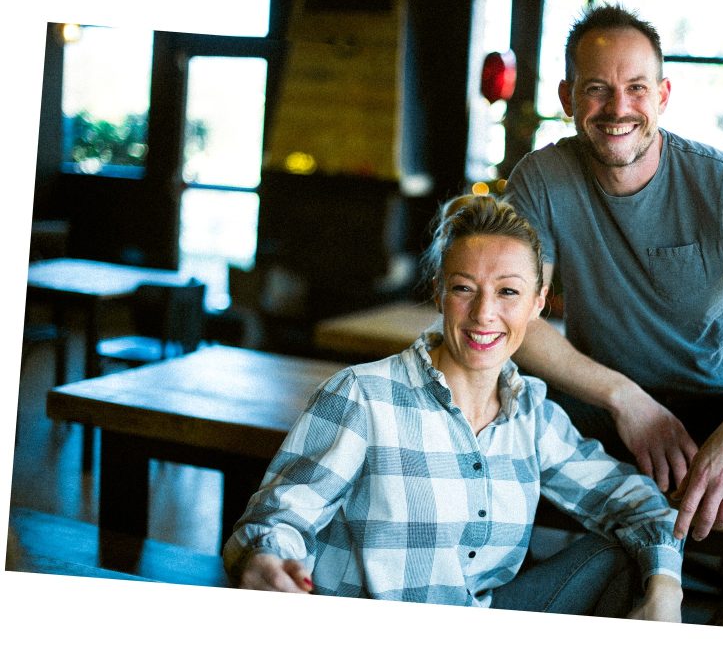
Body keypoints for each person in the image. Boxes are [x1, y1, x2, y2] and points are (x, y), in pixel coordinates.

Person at [504, 3, 723, 627]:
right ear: (567, 97)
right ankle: (531, 607)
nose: (618, 108)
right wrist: (625, 398)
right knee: (503, 409)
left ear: (663, 95)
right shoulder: (542, 177)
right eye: (596, 89)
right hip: (607, 400)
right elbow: (514, 316)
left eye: (636, 87)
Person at [223, 194, 684, 621]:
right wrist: (265, 559)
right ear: (440, 292)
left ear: (537, 304)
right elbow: (274, 521)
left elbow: (639, 504)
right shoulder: (362, 395)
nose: (484, 314)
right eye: (465, 288)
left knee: (626, 556)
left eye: (508, 292)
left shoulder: (532, 415)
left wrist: (666, 589)